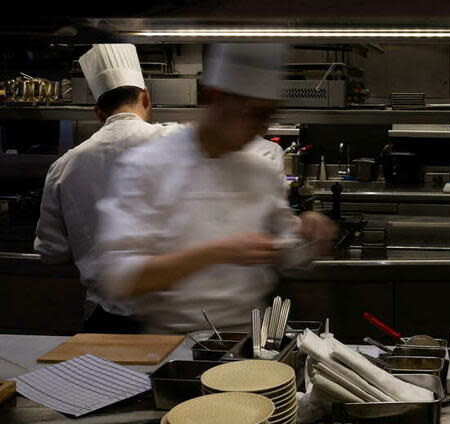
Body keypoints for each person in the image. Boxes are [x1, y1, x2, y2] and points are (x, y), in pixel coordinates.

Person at [96, 44, 336, 333]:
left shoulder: (261, 170)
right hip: (172, 344)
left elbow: (287, 254)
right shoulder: (147, 165)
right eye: (255, 113)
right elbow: (119, 278)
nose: (262, 128)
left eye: (269, 115)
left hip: (249, 342)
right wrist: (217, 252)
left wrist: (308, 234)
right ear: (216, 99)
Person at [34, 44, 181, 333]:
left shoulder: (65, 166)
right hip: (175, 318)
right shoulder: (179, 141)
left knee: (107, 380)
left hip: (108, 319)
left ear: (98, 112)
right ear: (146, 97)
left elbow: (51, 252)